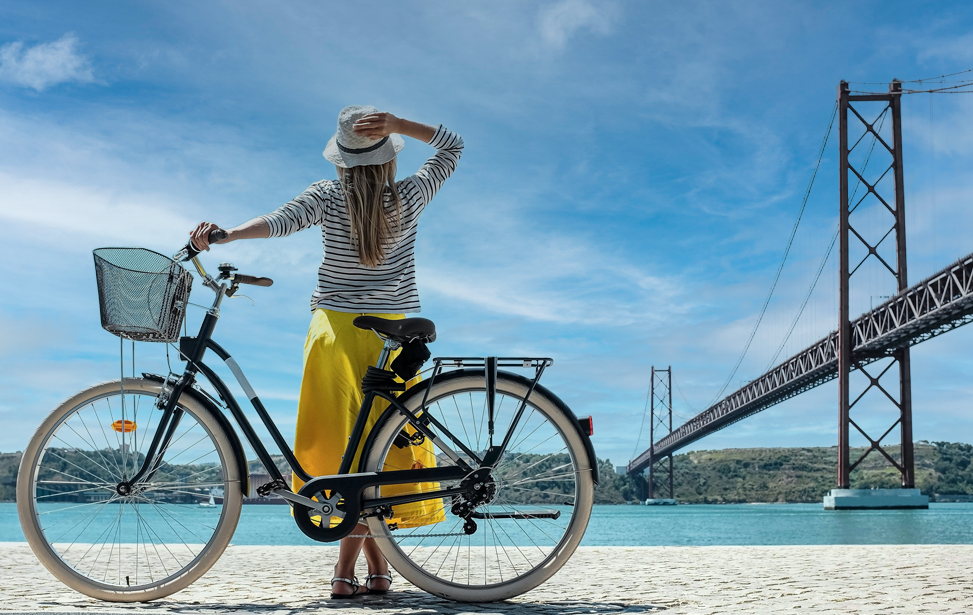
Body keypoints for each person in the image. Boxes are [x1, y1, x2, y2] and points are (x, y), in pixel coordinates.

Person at [189, 105, 464, 598]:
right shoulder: (410, 196)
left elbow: (277, 223)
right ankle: (375, 572)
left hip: (333, 331)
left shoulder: (326, 195)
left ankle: (346, 571)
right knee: (379, 450)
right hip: (393, 332)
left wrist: (226, 234)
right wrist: (399, 124)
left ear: (341, 160)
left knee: (346, 453)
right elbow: (453, 145)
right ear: (387, 157)